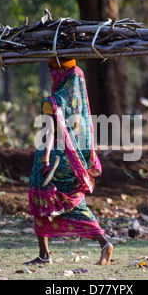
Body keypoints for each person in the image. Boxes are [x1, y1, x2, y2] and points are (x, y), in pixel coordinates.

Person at [24, 58, 113, 266]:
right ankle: (103, 243)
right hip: (74, 161)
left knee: (41, 201)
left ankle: (44, 255)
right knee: (74, 202)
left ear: (59, 76)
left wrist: (45, 161)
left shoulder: (51, 102)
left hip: (52, 158)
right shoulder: (78, 104)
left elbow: (47, 133)